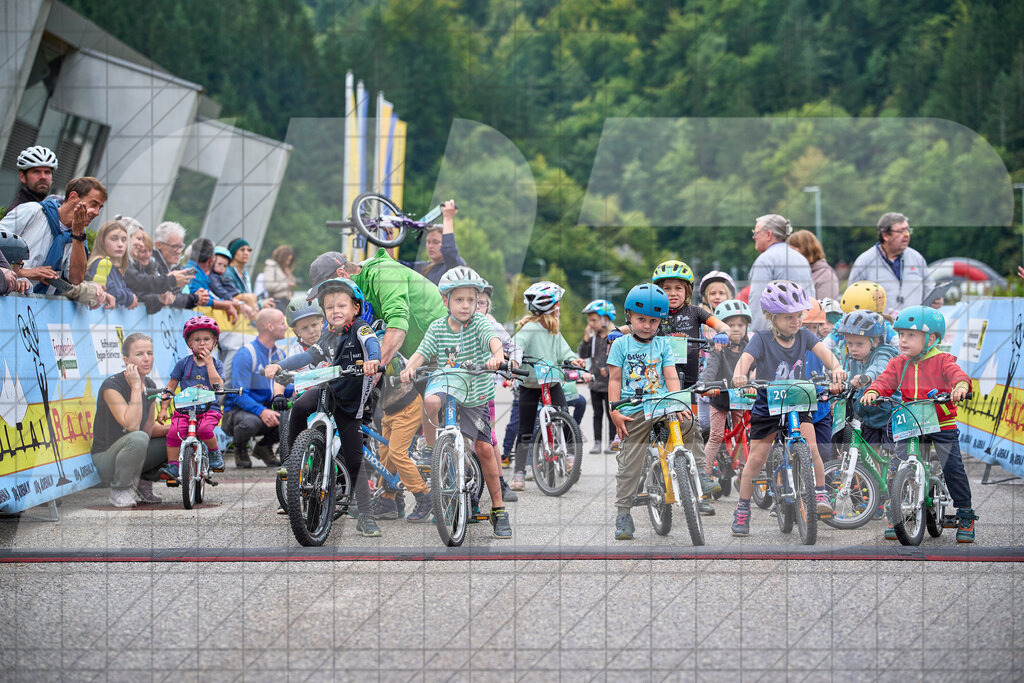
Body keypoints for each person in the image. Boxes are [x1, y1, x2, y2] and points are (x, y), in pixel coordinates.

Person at [399, 266, 512, 537]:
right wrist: (409, 368)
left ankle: (498, 509)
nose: (466, 306)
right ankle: (430, 447)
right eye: (459, 300)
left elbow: (494, 341)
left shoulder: (481, 323)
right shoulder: (437, 327)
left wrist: (497, 357)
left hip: (475, 390)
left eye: (471, 300)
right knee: (430, 401)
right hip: (447, 382)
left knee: (485, 448)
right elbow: (422, 353)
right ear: (445, 300)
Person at [729, 280, 847, 537]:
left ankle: (819, 493)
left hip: (798, 398)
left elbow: (826, 355)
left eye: (799, 315)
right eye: (788, 317)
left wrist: (836, 369)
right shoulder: (761, 338)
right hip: (768, 403)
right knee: (756, 459)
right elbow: (746, 359)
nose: (796, 321)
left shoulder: (805, 335)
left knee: (812, 447)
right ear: (771, 317)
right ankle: (743, 507)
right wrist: (740, 374)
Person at [270, 277, 383, 536]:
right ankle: (292, 460)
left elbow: (372, 345)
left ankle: (365, 515)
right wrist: (281, 365)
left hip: (351, 402)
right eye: (330, 307)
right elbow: (310, 355)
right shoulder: (329, 333)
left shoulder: (361, 329)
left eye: (341, 306)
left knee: (355, 458)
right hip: (328, 391)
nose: (335, 311)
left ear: (355, 308)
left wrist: (373, 361)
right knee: (298, 407)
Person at [861, 306, 976, 542]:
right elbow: (885, 381)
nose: (903, 340)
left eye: (911, 335)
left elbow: (958, 376)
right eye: (901, 335)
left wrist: (961, 387)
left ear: (931, 338)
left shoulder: (942, 360)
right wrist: (873, 390)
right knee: (897, 465)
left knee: (953, 467)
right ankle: (896, 511)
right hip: (910, 421)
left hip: (940, 422)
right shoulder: (897, 363)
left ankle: (965, 513)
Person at [607, 283, 686, 540]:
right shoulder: (620, 344)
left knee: (692, 425)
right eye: (641, 319)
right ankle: (623, 513)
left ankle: (699, 474)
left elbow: (671, 377)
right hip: (633, 408)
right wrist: (614, 411)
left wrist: (676, 401)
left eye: (654, 321)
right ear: (629, 316)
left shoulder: (663, 345)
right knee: (631, 460)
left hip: (661, 404)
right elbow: (615, 381)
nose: (648, 326)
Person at [649, 259, 731, 506]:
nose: (672, 293)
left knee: (691, 430)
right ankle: (658, 474)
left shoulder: (695, 312)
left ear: (687, 291)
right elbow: (632, 326)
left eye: (678, 288)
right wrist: (616, 332)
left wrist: (723, 332)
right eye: (666, 288)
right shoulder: (654, 313)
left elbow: (719, 324)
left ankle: (699, 485)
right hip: (661, 383)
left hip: (689, 385)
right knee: (662, 432)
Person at [509, 281, 587, 493]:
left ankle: (569, 456)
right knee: (526, 428)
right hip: (531, 384)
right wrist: (514, 361)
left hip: (551, 382)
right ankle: (519, 472)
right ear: (551, 308)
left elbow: (565, 352)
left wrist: (575, 360)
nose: (559, 309)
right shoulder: (530, 329)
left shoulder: (553, 331)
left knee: (564, 417)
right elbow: (516, 346)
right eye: (558, 305)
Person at [91, 333, 171, 507]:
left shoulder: (150, 384)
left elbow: (148, 427)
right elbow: (132, 425)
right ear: (126, 359)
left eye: (149, 353)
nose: (146, 359)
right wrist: (136, 386)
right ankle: (120, 489)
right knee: (138, 438)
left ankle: (142, 481)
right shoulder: (112, 386)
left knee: (175, 437)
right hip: (106, 458)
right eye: (139, 354)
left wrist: (177, 429)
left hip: (133, 448)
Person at [0, 176, 106, 295]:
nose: (96, 213)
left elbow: (76, 279)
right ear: (73, 197)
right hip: (8, 298)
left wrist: (78, 235)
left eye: (100, 208)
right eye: (93, 204)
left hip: (40, 306)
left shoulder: (80, 236)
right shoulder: (33, 211)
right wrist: (26, 273)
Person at [157, 316, 227, 480]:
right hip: (185, 409)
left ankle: (214, 454)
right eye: (196, 340)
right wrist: (164, 408)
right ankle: (173, 466)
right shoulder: (183, 364)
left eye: (206, 339)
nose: (202, 343)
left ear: (214, 342)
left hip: (209, 409)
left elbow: (218, 386)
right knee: (174, 432)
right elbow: (171, 386)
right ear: (189, 344)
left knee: (204, 430)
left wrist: (209, 364)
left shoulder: (216, 364)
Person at [223, 308, 290, 468]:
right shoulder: (246, 353)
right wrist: (262, 411)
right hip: (237, 412)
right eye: (282, 323)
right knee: (250, 422)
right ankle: (240, 449)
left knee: (293, 414)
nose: (286, 327)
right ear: (270, 327)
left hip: (265, 406)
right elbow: (239, 395)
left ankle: (263, 447)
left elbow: (285, 388)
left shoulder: (280, 355)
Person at [846, 212, 939, 316]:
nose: (906, 235)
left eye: (908, 230)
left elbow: (929, 289)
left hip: (913, 327)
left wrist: (935, 301)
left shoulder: (917, 258)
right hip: (879, 329)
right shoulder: (864, 261)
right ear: (885, 235)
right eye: (900, 231)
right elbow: (852, 299)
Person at [700, 299, 751, 480]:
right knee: (716, 435)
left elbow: (755, 368)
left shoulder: (749, 349)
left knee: (745, 431)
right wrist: (706, 385)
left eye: (740, 324)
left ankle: (747, 470)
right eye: (730, 325)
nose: (736, 329)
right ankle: (704, 474)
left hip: (741, 399)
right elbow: (710, 369)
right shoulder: (718, 349)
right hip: (720, 399)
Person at [836, 311, 898, 457]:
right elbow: (850, 381)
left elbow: (879, 368)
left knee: (896, 457)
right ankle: (875, 481)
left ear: (875, 341)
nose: (853, 348)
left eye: (859, 344)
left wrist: (866, 378)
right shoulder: (854, 359)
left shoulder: (883, 352)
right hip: (868, 417)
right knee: (870, 456)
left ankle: (901, 478)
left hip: (890, 415)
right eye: (849, 343)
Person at [747, 214, 814, 332]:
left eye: (756, 233)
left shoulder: (765, 260)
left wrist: (757, 335)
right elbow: (811, 297)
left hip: (777, 336)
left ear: (768, 234)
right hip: (804, 330)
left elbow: (758, 301)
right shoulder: (801, 258)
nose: (754, 237)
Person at [120, 217, 192, 313]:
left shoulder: (134, 263)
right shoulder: (118, 261)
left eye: (181, 246)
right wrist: (171, 281)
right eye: (139, 239)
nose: (141, 244)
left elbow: (141, 295)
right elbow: (137, 282)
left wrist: (159, 299)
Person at [579, 299, 616, 454]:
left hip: (610, 384)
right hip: (595, 384)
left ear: (605, 319)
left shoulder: (614, 337)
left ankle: (612, 442)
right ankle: (597, 443)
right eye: (589, 321)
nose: (591, 324)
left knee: (611, 414)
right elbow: (583, 354)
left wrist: (608, 369)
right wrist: (586, 338)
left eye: (594, 320)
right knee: (597, 414)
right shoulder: (593, 338)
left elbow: (619, 357)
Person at [400, 200, 464, 285]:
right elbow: (394, 264)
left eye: (435, 242)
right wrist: (388, 236)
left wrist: (448, 218)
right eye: (428, 242)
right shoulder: (424, 267)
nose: (430, 246)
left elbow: (449, 251)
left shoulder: (454, 264)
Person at [152, 221, 209, 310]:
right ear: (158, 245)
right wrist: (195, 298)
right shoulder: (150, 264)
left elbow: (177, 298)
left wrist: (197, 297)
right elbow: (168, 299)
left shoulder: (175, 266)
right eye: (174, 247)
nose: (179, 251)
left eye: (181, 246)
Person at [86, 220, 138, 309]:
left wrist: (130, 295)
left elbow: (123, 289)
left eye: (124, 240)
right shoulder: (99, 263)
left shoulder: (115, 269)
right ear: (102, 241)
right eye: (114, 239)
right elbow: (110, 291)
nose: (120, 244)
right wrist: (129, 298)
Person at [185, 238, 239, 322]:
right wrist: (225, 305)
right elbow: (200, 299)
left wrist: (225, 304)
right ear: (211, 260)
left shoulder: (191, 270)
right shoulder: (193, 273)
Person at [788, 230, 840, 300]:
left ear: (806, 249)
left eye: (792, 250)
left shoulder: (826, 275)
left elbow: (825, 308)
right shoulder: (796, 272)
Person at [210, 246, 256, 319]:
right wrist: (231, 298)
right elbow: (219, 290)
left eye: (225, 266)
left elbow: (229, 286)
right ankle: (252, 320)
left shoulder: (221, 276)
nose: (222, 267)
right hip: (224, 299)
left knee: (252, 297)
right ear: (212, 262)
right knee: (248, 298)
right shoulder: (213, 277)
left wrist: (236, 292)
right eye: (219, 264)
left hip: (229, 297)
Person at [8, 146, 58, 211]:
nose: (43, 177)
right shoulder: (17, 212)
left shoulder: (52, 207)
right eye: (36, 172)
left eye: (47, 172)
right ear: (22, 177)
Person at [262, 244, 297, 311]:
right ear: (281, 257)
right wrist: (287, 284)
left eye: (290, 260)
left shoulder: (284, 269)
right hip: (276, 302)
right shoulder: (271, 267)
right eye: (287, 259)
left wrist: (289, 275)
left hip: (287, 302)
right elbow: (268, 286)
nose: (288, 262)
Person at [224, 237, 255, 302]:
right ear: (233, 252)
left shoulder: (245, 274)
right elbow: (231, 296)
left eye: (249, 250)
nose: (246, 253)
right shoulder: (227, 272)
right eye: (242, 250)